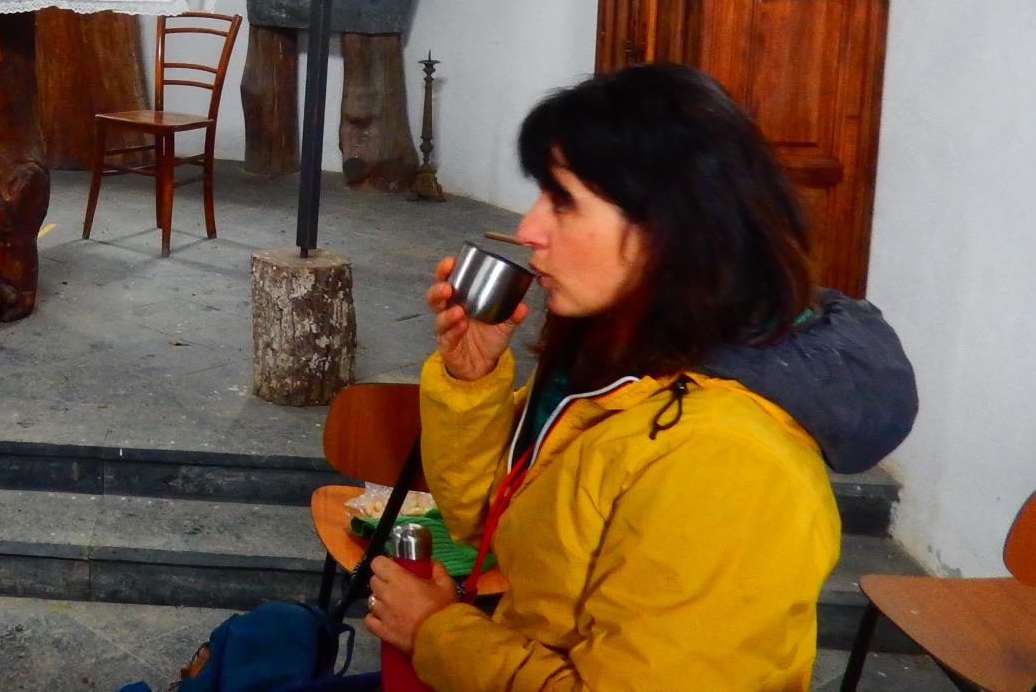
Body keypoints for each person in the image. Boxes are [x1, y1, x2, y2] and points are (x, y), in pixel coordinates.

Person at [365, 64, 917, 689]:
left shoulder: (725, 462)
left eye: (563, 201)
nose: (527, 230)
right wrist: (472, 378)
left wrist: (437, 632)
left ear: (671, 229)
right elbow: (492, 523)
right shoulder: (624, 372)